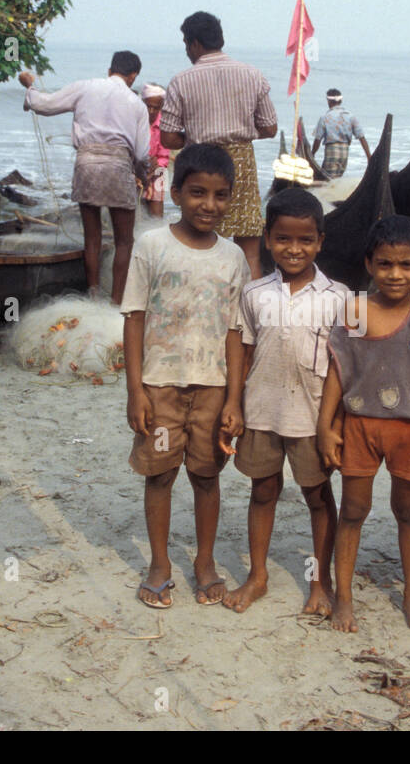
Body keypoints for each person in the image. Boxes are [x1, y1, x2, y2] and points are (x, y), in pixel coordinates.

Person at [121, 143, 250, 609]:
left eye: (220, 195)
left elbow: (237, 332)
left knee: (207, 475)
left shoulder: (234, 257)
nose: (209, 205)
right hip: (160, 386)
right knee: (159, 475)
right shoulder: (152, 245)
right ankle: (159, 564)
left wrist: (235, 399)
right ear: (175, 191)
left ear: (231, 198)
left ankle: (205, 562)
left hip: (213, 388)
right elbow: (133, 317)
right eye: (197, 193)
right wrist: (136, 390)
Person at [223, 188, 348, 616]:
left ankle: (320, 580)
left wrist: (336, 424)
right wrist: (233, 405)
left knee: (317, 496)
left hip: (313, 417)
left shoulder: (341, 298)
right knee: (263, 491)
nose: (294, 249)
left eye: (305, 240)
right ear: (267, 239)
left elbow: (347, 368)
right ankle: (258, 575)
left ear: (320, 241)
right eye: (283, 239)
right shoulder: (255, 293)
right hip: (261, 410)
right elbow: (242, 349)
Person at [318, 215, 410, 633]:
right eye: (386, 264)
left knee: (408, 512)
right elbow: (339, 370)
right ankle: (345, 598)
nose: (396, 274)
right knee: (353, 510)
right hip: (360, 425)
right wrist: (327, 425)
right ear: (370, 263)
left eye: (407, 265)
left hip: (409, 430)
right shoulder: (355, 310)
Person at [19, 51, 149, 304]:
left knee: (92, 237)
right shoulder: (137, 104)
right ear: (133, 76)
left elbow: (43, 105)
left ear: (110, 70)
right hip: (119, 167)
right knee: (124, 241)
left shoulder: (85, 87)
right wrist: (140, 175)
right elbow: (142, 154)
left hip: (87, 164)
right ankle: (116, 301)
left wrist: (30, 86)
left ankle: (92, 294)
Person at [159, 11, 279, 279]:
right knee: (249, 249)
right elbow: (270, 128)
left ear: (195, 44)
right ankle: (250, 314)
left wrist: (194, 138)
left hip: (201, 164)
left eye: (186, 45)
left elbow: (167, 138)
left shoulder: (181, 80)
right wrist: (240, 133)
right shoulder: (252, 74)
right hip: (242, 165)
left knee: (202, 241)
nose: (187, 52)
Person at [310, 88, 370, 179]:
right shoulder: (350, 116)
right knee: (337, 178)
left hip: (332, 151)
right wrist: (369, 157)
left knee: (328, 180)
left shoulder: (325, 117)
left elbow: (317, 140)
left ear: (328, 101)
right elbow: (362, 138)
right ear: (341, 101)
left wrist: (312, 154)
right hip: (344, 153)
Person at [140, 83, 171, 219]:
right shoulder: (136, 121)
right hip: (136, 169)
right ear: (143, 103)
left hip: (157, 170)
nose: (151, 111)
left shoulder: (164, 124)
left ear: (161, 107)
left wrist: (156, 166)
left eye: (156, 108)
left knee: (157, 215)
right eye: (148, 106)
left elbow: (164, 155)